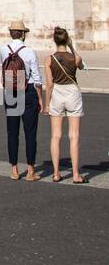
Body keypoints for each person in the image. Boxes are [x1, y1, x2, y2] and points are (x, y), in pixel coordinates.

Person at [0, 17, 43, 181]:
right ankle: (31, 170)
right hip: (28, 89)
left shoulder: (3, 49)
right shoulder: (29, 51)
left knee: (12, 131)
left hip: (10, 88)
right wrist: (40, 99)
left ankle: (14, 169)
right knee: (30, 132)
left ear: (11, 34)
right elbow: (37, 78)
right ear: (23, 34)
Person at [44, 27, 86, 183]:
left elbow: (49, 84)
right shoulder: (74, 57)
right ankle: (75, 175)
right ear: (67, 40)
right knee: (74, 136)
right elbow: (81, 65)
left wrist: (47, 104)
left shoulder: (49, 59)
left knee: (56, 135)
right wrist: (72, 46)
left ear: (54, 40)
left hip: (57, 94)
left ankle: (56, 173)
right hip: (72, 93)